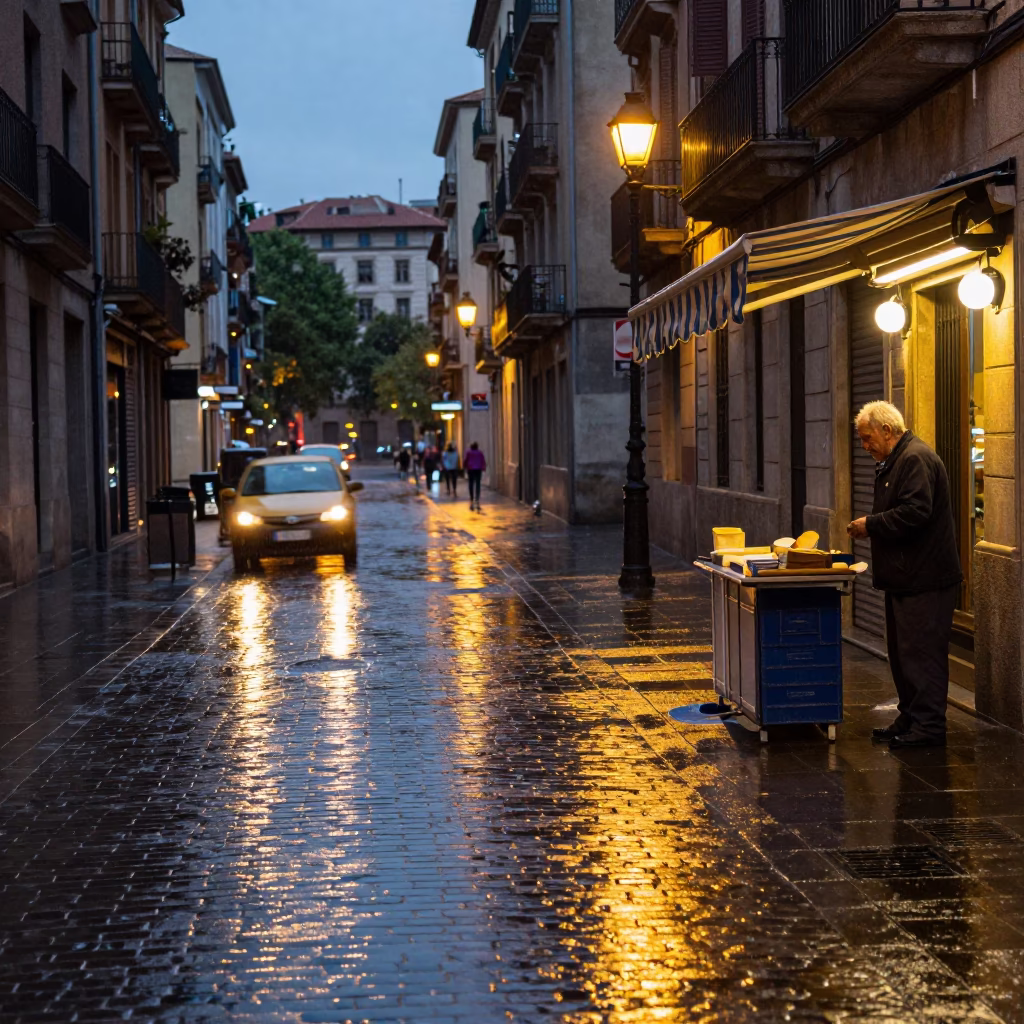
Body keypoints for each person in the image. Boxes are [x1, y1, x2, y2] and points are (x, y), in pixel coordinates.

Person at [847, 401, 961, 749]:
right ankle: (911, 716)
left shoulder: (914, 458)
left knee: (921, 653)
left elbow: (916, 511)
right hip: (905, 578)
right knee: (902, 653)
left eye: (867, 438)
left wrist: (871, 525)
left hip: (925, 579)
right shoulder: (894, 460)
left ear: (887, 430)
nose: (865, 446)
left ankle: (928, 726)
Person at [463, 442, 486, 510]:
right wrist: (483, 467)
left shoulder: (469, 452)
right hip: (478, 469)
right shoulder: (480, 453)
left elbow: (465, 460)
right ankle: (477, 498)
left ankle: (471, 498)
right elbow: (483, 460)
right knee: (478, 484)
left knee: (471, 483)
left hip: (471, 469)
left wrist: (464, 466)